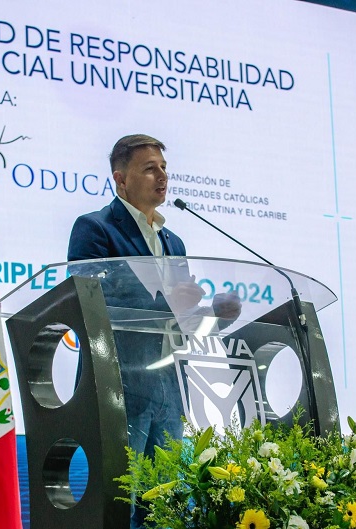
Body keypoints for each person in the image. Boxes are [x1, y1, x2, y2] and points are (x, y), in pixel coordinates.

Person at [68, 134, 238, 528]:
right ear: (120, 179)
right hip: (120, 385)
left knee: (164, 506)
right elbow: (92, 301)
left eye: (164, 168)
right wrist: (169, 304)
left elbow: (179, 318)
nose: (161, 176)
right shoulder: (95, 229)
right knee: (120, 503)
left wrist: (214, 313)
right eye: (150, 168)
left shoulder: (172, 240)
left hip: (168, 387)